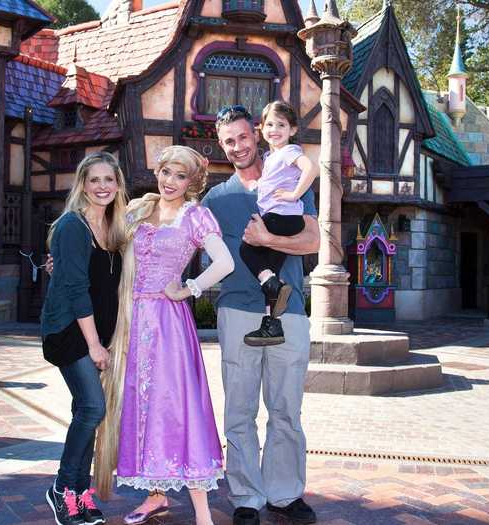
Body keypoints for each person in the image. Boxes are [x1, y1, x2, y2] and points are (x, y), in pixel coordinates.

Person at [94, 145, 234, 525]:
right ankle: (156, 496)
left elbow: (225, 262)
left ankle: (203, 514)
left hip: (169, 324)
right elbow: (105, 247)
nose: (170, 182)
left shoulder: (196, 216)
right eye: (166, 172)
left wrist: (189, 288)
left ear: (192, 182)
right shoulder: (138, 209)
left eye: (180, 175)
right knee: (140, 407)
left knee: (177, 406)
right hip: (131, 321)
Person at [201, 105, 320, 525]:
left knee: (286, 408)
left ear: (257, 134)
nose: (238, 147)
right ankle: (247, 497)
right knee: (240, 410)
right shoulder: (216, 199)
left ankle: (285, 494)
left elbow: (312, 242)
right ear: (222, 146)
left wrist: (267, 238)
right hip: (237, 312)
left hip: (288, 312)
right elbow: (190, 253)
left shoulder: (289, 179)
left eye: (243, 137)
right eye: (228, 142)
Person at [41, 152, 128, 525]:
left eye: (109, 179)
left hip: (95, 333)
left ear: (118, 184)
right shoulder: (73, 226)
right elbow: (77, 290)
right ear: (82, 184)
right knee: (93, 407)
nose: (103, 186)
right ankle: (62, 488)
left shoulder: (115, 228)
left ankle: (80, 492)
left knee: (87, 411)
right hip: (70, 331)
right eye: (95, 180)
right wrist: (94, 344)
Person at [239, 101, 318, 346]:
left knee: (247, 248)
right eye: (270, 124)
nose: (275, 129)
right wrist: (257, 186)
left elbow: (311, 168)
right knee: (271, 275)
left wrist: (294, 195)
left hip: (282, 218)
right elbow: (271, 183)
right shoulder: (271, 158)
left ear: (292, 130)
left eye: (281, 125)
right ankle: (272, 324)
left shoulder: (289, 152)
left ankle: (272, 285)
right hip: (284, 220)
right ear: (261, 129)